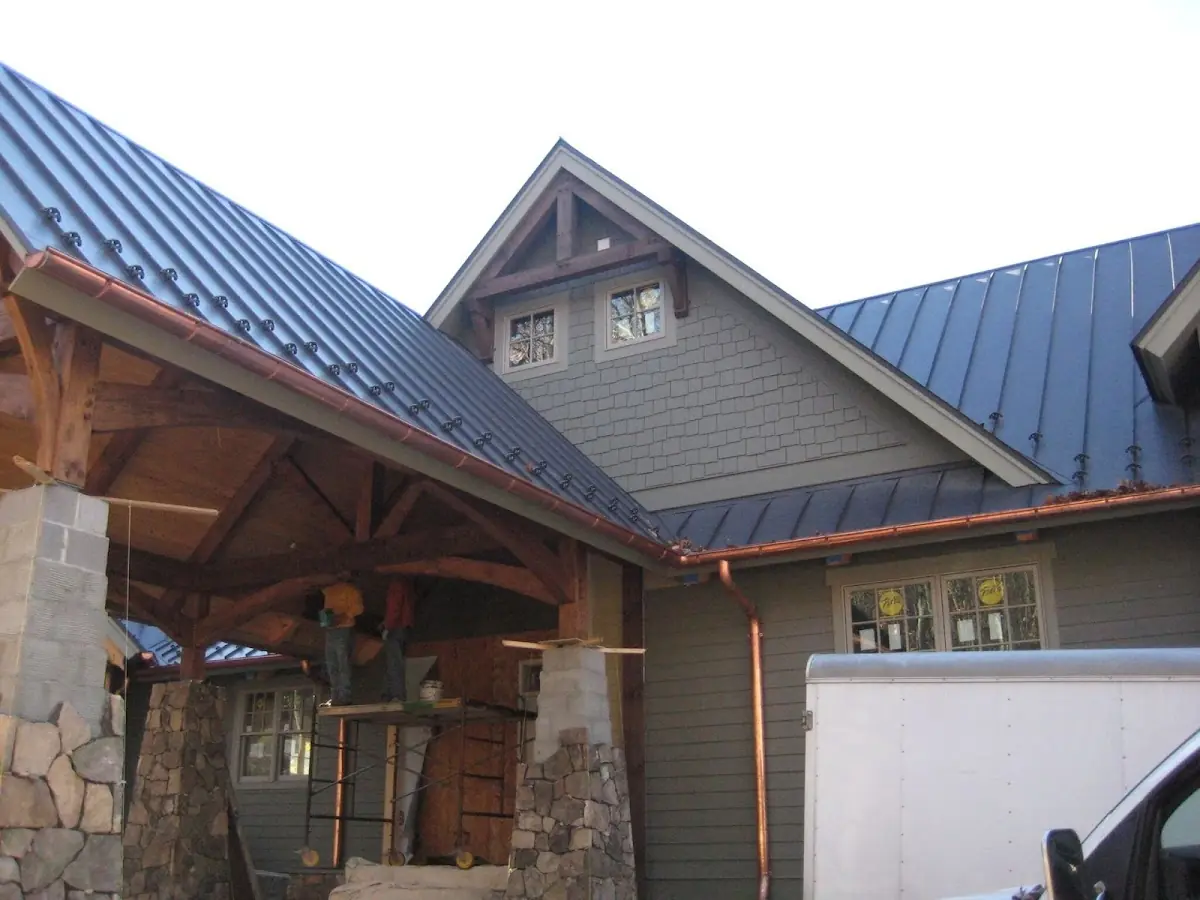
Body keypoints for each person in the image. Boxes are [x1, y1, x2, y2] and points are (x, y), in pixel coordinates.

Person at [320, 574, 364, 706]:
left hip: (344, 629)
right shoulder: (329, 590)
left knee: (341, 663)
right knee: (332, 664)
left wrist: (345, 616)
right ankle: (335, 696)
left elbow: (359, 608)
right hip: (331, 629)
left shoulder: (351, 590)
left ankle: (344, 696)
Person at [381, 577, 416, 703]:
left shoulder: (396, 585)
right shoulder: (408, 584)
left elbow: (394, 608)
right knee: (397, 661)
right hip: (404, 626)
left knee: (394, 662)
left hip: (396, 627)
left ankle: (396, 695)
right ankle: (391, 693)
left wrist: (388, 626)